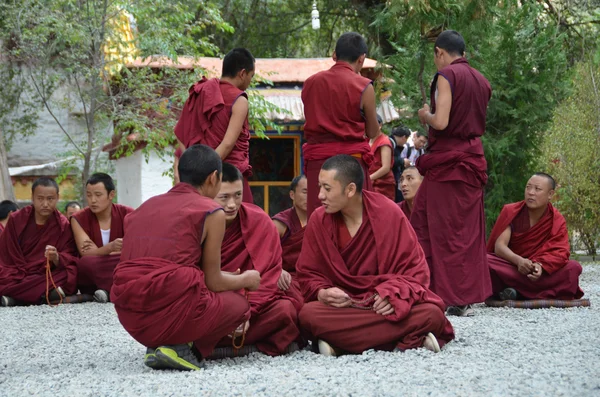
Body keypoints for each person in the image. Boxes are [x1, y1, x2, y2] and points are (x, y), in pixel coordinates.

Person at [111, 145, 261, 371]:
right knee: (239, 305)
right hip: (169, 312)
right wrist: (247, 279)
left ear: (180, 174)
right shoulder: (210, 211)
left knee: (190, 283)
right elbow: (214, 282)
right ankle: (187, 350)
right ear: (214, 178)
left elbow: (168, 263)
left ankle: (160, 347)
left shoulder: (144, 207)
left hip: (130, 317)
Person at [297, 155, 454, 356]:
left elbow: (417, 271)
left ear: (350, 190)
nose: (319, 195)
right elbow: (307, 273)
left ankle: (340, 344)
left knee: (432, 314)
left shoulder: (388, 213)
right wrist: (322, 292)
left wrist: (392, 292)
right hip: (345, 307)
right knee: (309, 315)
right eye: (319, 187)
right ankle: (404, 340)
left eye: (327, 189)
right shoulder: (318, 220)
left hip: (385, 306)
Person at [412, 30, 492, 316]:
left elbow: (442, 121)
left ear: (439, 53)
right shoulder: (482, 81)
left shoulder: (447, 75)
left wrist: (425, 116)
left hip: (448, 162)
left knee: (443, 230)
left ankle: (450, 296)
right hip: (470, 159)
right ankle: (432, 289)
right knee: (452, 227)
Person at [214, 163, 302, 357]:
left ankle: (217, 346)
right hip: (215, 303)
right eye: (224, 197)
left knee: (285, 310)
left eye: (238, 195)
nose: (232, 204)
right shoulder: (198, 222)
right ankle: (242, 343)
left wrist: (246, 312)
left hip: (253, 303)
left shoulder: (258, 220)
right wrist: (231, 312)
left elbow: (269, 276)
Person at [302, 32, 380, 218]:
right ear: (362, 59)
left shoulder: (311, 82)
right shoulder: (363, 86)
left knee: (321, 220)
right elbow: (372, 131)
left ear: (334, 55)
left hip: (319, 164)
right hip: (351, 164)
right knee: (355, 220)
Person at [174, 48, 256, 203]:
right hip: (228, 177)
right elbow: (227, 144)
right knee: (243, 221)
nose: (250, 81)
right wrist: (208, 170)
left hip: (198, 182)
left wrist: (196, 171)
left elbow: (181, 135)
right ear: (242, 73)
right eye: (251, 76)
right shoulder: (239, 100)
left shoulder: (199, 92)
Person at [487, 173, 584, 300]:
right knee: (484, 260)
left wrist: (540, 266)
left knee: (573, 268)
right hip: (512, 267)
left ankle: (513, 291)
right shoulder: (511, 211)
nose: (531, 193)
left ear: (550, 194)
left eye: (537, 189)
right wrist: (519, 261)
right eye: (528, 187)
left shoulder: (556, 219)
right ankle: (532, 292)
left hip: (538, 272)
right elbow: (499, 247)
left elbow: (560, 252)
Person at [0, 178, 78, 307]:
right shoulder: (16, 219)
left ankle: (15, 298)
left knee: (69, 274)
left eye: (50, 199)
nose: (45, 204)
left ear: (57, 198)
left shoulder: (63, 225)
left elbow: (71, 256)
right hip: (17, 271)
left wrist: (57, 257)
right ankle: (43, 295)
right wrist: (19, 270)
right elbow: (5, 252)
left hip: (43, 274)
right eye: (40, 198)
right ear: (32, 198)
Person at [71, 173, 134, 303]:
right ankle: (119, 290)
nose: (92, 200)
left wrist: (98, 252)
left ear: (111, 195)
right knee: (85, 264)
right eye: (89, 195)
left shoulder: (128, 214)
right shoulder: (78, 219)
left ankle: (107, 292)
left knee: (132, 260)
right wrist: (111, 247)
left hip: (119, 263)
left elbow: (134, 248)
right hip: (95, 269)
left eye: (98, 195)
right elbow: (86, 253)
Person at [272, 175, 307, 304]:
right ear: (292, 194)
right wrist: (277, 270)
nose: (310, 196)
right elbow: (264, 253)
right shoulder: (280, 223)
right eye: (305, 192)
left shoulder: (322, 220)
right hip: (288, 278)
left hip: (313, 278)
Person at [369, 116, 395, 200]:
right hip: (369, 182)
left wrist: (369, 178)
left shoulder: (384, 141)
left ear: (380, 126)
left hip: (382, 184)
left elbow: (386, 168)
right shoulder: (368, 140)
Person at [389, 126, 411, 202]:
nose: (405, 143)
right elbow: (388, 160)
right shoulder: (390, 143)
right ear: (404, 137)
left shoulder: (395, 145)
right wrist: (402, 161)